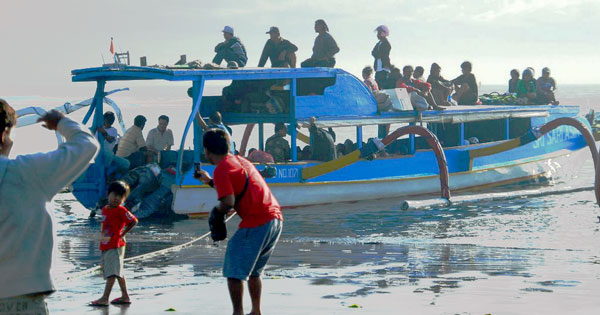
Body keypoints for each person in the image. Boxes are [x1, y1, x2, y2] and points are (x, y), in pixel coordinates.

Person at [0, 100, 99, 314]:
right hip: (22, 300)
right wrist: (62, 122)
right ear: (4, 136)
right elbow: (86, 144)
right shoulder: (27, 172)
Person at [194, 129, 283, 315]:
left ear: (208, 151)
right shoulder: (241, 160)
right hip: (275, 219)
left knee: (233, 269)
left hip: (258, 220)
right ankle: (256, 311)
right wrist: (209, 181)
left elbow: (228, 201)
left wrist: (216, 214)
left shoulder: (221, 168)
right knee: (254, 271)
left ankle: (238, 312)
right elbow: (234, 189)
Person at [90, 181, 138, 307]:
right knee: (118, 271)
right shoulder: (105, 209)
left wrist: (123, 233)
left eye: (120, 196)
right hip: (107, 244)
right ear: (108, 194)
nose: (117, 198)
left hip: (116, 245)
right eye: (114, 195)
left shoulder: (121, 210)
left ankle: (105, 298)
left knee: (112, 273)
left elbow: (133, 221)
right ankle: (125, 296)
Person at [97, 111, 130, 178]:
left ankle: (114, 176)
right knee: (108, 155)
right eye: (105, 120)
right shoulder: (97, 129)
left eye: (108, 121)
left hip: (109, 155)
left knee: (126, 163)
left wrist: (104, 133)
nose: (106, 122)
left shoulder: (113, 130)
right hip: (99, 153)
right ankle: (104, 175)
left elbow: (110, 140)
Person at [371, 25, 392, 89]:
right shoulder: (379, 43)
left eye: (379, 33)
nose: (377, 35)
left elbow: (382, 54)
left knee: (383, 85)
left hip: (384, 67)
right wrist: (377, 55)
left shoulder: (386, 43)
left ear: (383, 33)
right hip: (378, 68)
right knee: (378, 84)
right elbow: (373, 52)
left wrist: (378, 55)